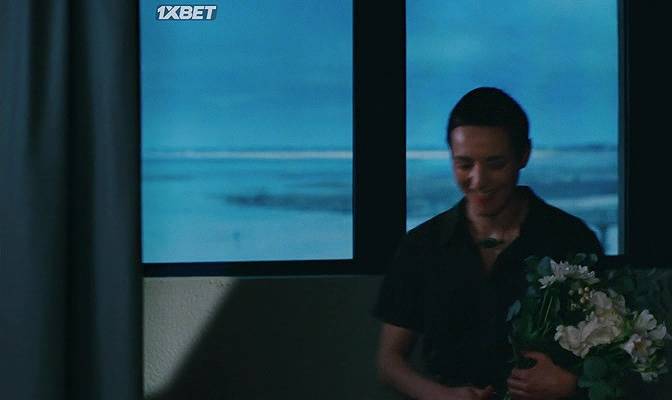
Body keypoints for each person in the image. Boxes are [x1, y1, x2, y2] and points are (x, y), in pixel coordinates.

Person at [372, 87, 603, 400]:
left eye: (495, 164)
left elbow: (615, 349)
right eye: (464, 165)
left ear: (524, 155)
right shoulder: (422, 246)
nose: (479, 181)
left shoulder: (569, 239)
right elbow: (389, 362)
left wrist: (570, 382)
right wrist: (442, 397)